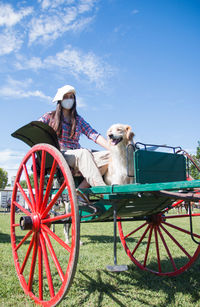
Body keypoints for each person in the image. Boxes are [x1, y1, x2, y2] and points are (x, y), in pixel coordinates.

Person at [39, 84, 110, 194]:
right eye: (66, 97)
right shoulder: (50, 116)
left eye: (71, 97)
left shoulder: (78, 120)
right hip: (61, 154)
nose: (69, 100)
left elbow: (93, 134)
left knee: (109, 156)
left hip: (79, 154)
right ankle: (102, 190)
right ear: (60, 100)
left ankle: (79, 192)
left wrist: (112, 148)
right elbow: (37, 129)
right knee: (84, 153)